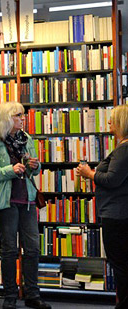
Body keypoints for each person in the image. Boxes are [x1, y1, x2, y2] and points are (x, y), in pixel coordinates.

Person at [0, 102, 50, 309]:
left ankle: (32, 295)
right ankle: (10, 295)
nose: (23, 118)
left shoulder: (27, 140)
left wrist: (35, 167)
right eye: (19, 115)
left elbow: (34, 172)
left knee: (33, 249)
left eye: (22, 115)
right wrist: (10, 170)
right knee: (9, 250)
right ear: (7, 118)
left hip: (27, 201)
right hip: (5, 203)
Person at [76, 104, 128, 308]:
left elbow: (112, 180)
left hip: (117, 215)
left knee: (120, 263)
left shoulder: (124, 149)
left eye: (112, 120)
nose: (109, 123)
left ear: (121, 123)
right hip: (118, 212)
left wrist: (89, 173)